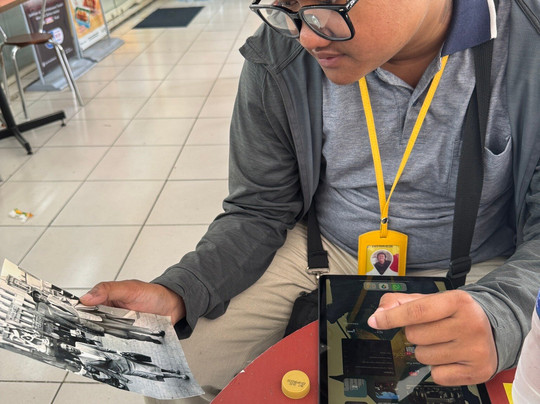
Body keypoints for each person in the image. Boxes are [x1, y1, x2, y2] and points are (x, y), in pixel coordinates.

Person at [80, 0, 540, 402]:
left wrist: (501, 312)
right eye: (289, 8)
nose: (307, 36)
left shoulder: (528, 40)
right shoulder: (280, 51)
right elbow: (259, 208)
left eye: (330, 4)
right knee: (173, 365)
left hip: (483, 261)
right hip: (325, 249)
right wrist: (181, 290)